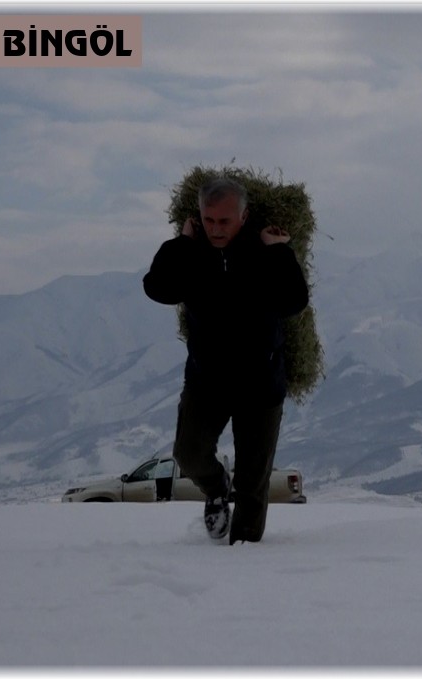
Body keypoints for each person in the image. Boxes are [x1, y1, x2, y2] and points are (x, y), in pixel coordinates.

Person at [143, 177, 309, 544]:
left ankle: (244, 560)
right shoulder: (193, 256)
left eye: (225, 221)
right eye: (209, 220)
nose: (216, 229)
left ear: (244, 216)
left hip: (261, 384)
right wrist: (182, 243)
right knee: (188, 454)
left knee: (254, 485)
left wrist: (280, 250)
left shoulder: (263, 253)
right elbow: (157, 287)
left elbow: (294, 301)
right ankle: (218, 489)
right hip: (207, 381)